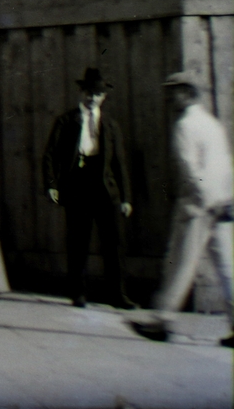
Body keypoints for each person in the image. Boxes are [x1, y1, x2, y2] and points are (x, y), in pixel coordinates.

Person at [128, 73, 233, 348]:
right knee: (227, 268)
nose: (169, 97)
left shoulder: (185, 125)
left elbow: (189, 169)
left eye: (174, 91)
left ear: (187, 93)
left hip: (197, 205)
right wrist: (223, 198)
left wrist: (204, 198)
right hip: (221, 203)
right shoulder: (213, 125)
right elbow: (224, 164)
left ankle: (162, 321)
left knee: (179, 263)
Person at [41, 67, 134, 309]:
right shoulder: (66, 121)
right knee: (78, 241)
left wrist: (126, 198)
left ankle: (118, 295)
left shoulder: (111, 125)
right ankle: (78, 293)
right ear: (81, 92)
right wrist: (52, 184)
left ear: (104, 97)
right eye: (89, 92)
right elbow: (50, 154)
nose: (92, 97)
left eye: (98, 93)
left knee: (113, 243)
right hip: (77, 185)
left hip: (106, 188)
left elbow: (119, 163)